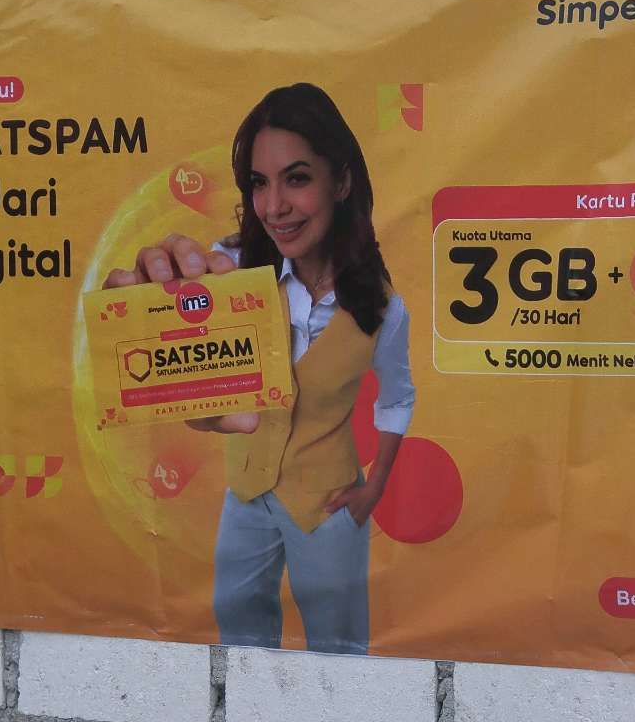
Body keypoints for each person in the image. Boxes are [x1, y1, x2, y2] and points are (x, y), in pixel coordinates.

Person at [103, 84, 413, 653]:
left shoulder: (383, 308)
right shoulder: (231, 272)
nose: (273, 207)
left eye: (297, 178)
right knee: (238, 636)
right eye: (259, 183)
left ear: (341, 182)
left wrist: (373, 490)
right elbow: (180, 354)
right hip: (246, 495)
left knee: (339, 648)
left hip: (327, 504)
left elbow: (397, 399)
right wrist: (140, 317)